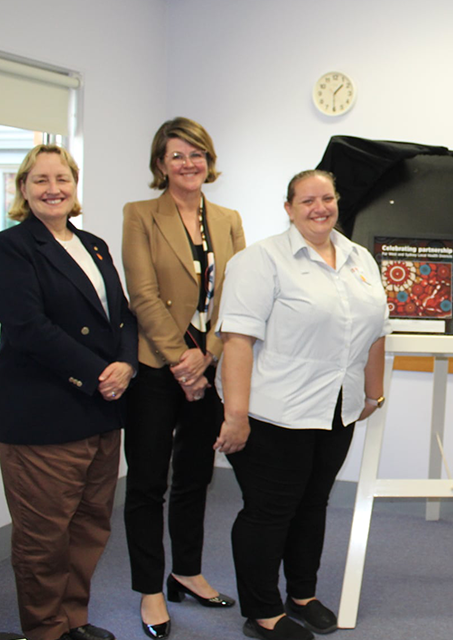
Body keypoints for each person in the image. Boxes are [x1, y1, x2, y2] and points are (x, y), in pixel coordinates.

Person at [214, 169, 389, 640]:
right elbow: (237, 341)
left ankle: (302, 594)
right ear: (289, 208)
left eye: (327, 198)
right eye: (307, 200)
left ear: (338, 202)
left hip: (337, 409)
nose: (319, 208)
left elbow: (375, 332)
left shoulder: (359, 258)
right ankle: (263, 611)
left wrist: (373, 394)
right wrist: (234, 415)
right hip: (275, 411)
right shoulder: (260, 260)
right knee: (270, 511)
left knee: (313, 504)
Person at [0, 145, 138, 640]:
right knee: (43, 539)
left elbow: (123, 315)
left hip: (100, 412)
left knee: (89, 527)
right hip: (43, 416)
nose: (53, 188)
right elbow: (27, 329)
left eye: (62, 178)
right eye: (40, 180)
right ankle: (44, 630)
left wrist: (125, 363)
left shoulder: (94, 244)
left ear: (75, 186)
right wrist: (99, 372)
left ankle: (73, 620)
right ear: (23, 189)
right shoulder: (11, 247)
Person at [122, 117, 244, 639]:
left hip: (209, 364)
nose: (189, 163)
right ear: (159, 165)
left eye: (197, 154)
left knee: (196, 476)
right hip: (157, 365)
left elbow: (237, 295)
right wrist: (180, 360)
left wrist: (209, 354)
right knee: (148, 482)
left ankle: (185, 572)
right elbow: (142, 294)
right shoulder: (140, 215)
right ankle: (150, 590)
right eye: (177, 156)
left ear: (209, 161)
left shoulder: (228, 218)